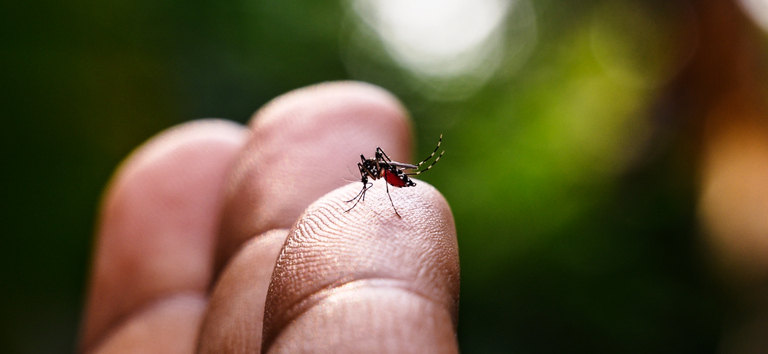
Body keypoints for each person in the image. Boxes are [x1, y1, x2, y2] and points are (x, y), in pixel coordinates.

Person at [78, 81, 460, 353]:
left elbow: (375, 175)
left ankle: (417, 169)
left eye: (369, 172)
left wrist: (390, 180)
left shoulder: (378, 172)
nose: (365, 172)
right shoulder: (370, 173)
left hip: (398, 180)